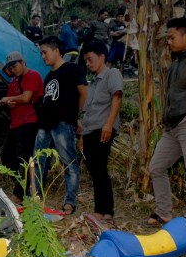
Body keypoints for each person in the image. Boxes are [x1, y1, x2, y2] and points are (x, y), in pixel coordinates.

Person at [147, 18, 186, 225]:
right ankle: (163, 212)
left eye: (172, 37)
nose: (169, 42)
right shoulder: (176, 62)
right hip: (171, 126)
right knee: (156, 167)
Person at [32, 36, 88, 214]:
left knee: (69, 162)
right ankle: (35, 200)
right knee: (38, 162)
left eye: (45, 52)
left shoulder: (72, 69)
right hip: (44, 125)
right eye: (41, 53)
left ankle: (69, 202)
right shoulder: (48, 76)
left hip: (63, 123)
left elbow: (84, 93)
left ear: (56, 51)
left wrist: (77, 116)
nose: (43, 56)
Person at [80, 40, 123, 223]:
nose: (88, 64)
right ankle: (104, 210)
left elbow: (117, 96)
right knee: (95, 170)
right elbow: (88, 111)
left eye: (90, 59)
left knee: (99, 168)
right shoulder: (93, 83)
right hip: (89, 131)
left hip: (102, 128)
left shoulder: (111, 74)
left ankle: (105, 211)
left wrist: (109, 123)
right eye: (86, 61)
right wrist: (82, 136)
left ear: (102, 56)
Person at [0, 52, 44, 203]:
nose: (13, 69)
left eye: (15, 65)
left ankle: (19, 193)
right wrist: (10, 103)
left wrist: (9, 99)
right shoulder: (13, 82)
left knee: (23, 158)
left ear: (23, 62)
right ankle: (23, 185)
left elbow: (26, 97)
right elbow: (13, 102)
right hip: (15, 124)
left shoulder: (33, 75)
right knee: (7, 158)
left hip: (29, 122)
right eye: (10, 67)